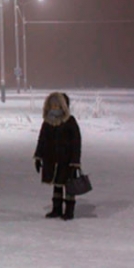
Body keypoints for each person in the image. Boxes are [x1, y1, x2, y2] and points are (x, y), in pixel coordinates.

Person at [33, 92, 82, 220]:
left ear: (63, 106)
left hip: (67, 161)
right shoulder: (48, 122)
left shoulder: (70, 122)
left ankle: (69, 211)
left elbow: (76, 142)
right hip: (52, 159)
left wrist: (75, 162)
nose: (55, 108)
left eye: (57, 105)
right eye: (52, 105)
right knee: (57, 184)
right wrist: (38, 157)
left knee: (68, 185)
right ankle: (57, 209)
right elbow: (42, 140)